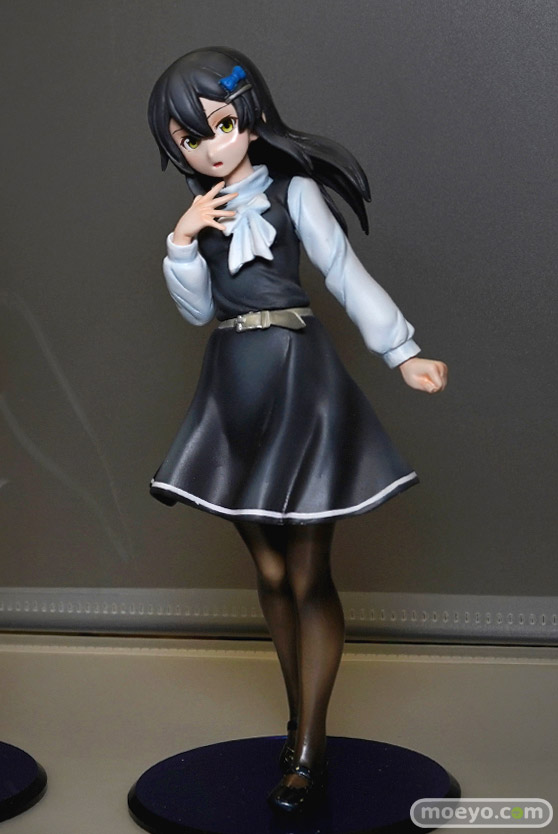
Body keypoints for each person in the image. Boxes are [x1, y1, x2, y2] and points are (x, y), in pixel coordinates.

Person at [148, 47, 447, 813]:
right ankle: (298, 718)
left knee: (309, 572)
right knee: (273, 572)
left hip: (298, 377)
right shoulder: (201, 211)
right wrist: (182, 242)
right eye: (190, 138)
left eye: (221, 125)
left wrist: (402, 351)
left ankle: (309, 745)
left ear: (250, 117)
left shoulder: (292, 192)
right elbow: (196, 310)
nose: (211, 147)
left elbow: (342, 270)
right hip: (233, 382)